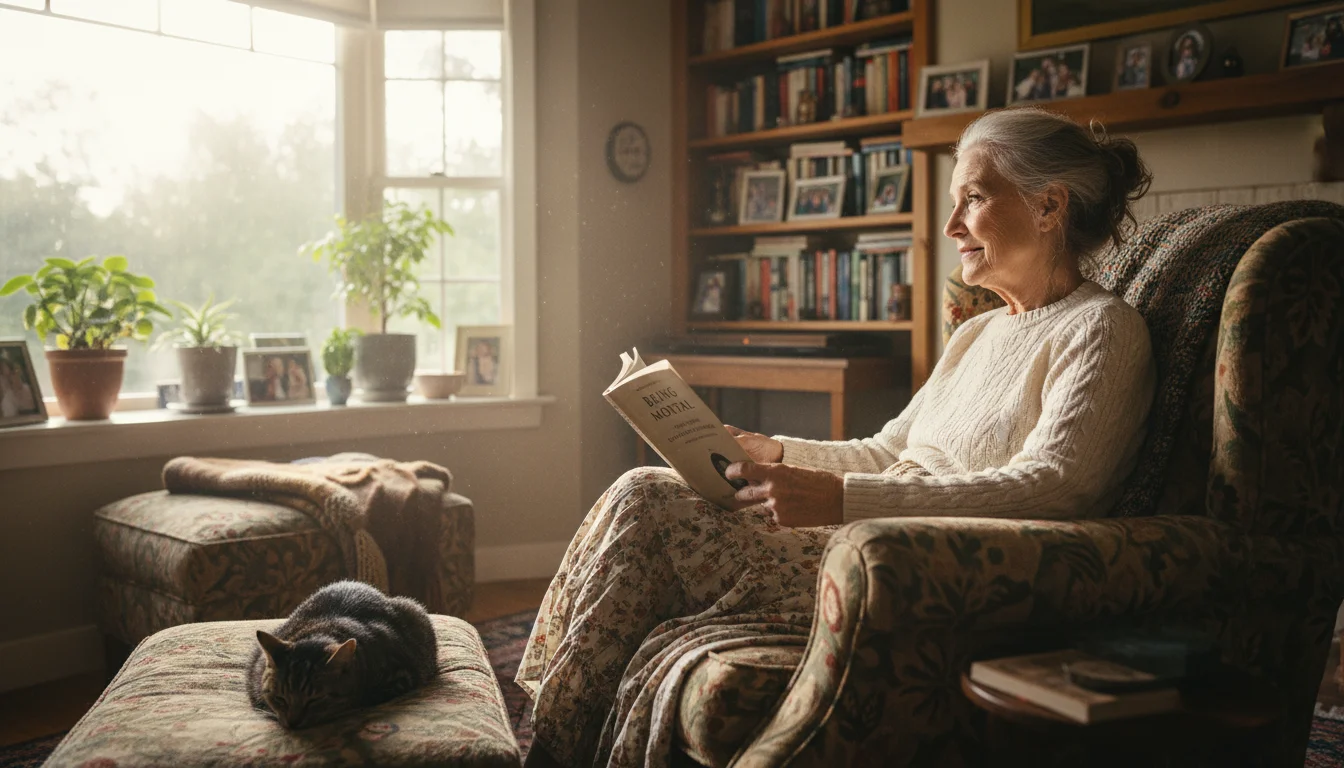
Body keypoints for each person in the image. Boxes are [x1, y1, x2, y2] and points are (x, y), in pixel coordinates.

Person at [518, 106, 1157, 768]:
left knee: (647, 504)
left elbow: (1057, 488)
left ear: (1049, 207)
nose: (950, 226)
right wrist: (779, 452)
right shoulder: (977, 333)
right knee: (644, 487)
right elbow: (888, 452)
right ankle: (559, 729)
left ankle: (554, 747)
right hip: (865, 527)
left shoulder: (1101, 330)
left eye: (973, 198)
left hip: (911, 561)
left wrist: (841, 500)